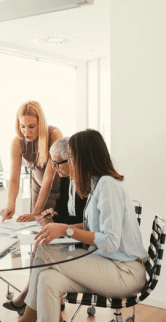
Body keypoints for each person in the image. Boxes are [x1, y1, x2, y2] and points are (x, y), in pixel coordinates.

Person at [20, 129, 148, 322]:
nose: (68, 162)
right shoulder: (98, 184)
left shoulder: (108, 186)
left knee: (44, 250)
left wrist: (66, 230)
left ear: (85, 158)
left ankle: (27, 318)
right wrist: (60, 227)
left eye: (71, 157)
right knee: (48, 280)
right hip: (108, 264)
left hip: (125, 272)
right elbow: (92, 226)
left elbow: (110, 242)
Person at [2, 137, 87, 316]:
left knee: (42, 248)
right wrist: (53, 216)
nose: (54, 169)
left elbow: (87, 221)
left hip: (82, 242)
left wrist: (60, 226)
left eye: (57, 163)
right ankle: (34, 308)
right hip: (72, 234)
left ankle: (27, 306)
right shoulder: (66, 178)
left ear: (71, 159)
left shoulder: (86, 184)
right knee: (41, 246)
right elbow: (65, 210)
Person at [2, 101, 63, 223]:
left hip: (61, 190)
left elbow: (48, 177)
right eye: (22, 126)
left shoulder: (54, 135)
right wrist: (11, 204)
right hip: (39, 189)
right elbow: (14, 180)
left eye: (31, 126)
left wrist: (36, 212)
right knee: (36, 228)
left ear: (40, 124)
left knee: (59, 228)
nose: (26, 132)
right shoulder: (17, 143)